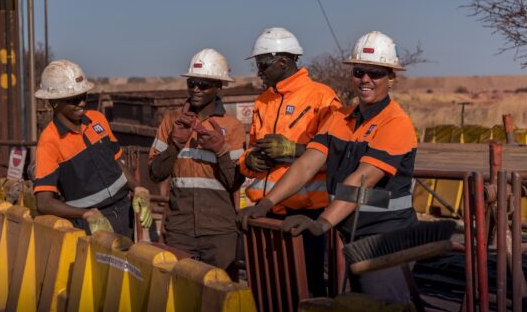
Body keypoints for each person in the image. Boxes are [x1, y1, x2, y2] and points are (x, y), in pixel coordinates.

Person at [238, 31, 418, 303]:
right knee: (359, 303)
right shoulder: (341, 118)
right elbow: (307, 163)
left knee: (381, 305)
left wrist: (321, 223)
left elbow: (362, 180)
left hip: (387, 236)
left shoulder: (395, 122)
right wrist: (265, 203)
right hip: (354, 232)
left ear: (391, 79)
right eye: (359, 71)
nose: (365, 79)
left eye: (376, 73)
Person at [238, 27, 340, 296]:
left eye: (262, 65)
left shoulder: (322, 98)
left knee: (306, 289)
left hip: (305, 214)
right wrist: (250, 160)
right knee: (269, 288)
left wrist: (296, 150)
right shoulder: (263, 102)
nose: (259, 72)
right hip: (264, 211)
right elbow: (248, 151)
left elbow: (338, 157)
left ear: (283, 62)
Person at [148, 49, 246, 271]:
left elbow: (234, 182)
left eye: (204, 84)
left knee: (221, 296)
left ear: (219, 86)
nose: (195, 89)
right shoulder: (172, 121)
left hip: (219, 231)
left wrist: (220, 150)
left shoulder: (232, 127)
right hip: (179, 230)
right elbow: (155, 173)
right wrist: (174, 145)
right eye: (192, 82)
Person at [33, 59, 152, 238]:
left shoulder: (97, 119)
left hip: (124, 214)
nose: (81, 103)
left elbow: (117, 162)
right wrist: (86, 214)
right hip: (90, 225)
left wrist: (137, 188)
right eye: (73, 99)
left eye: (84, 96)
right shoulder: (49, 141)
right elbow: (43, 203)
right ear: (54, 102)